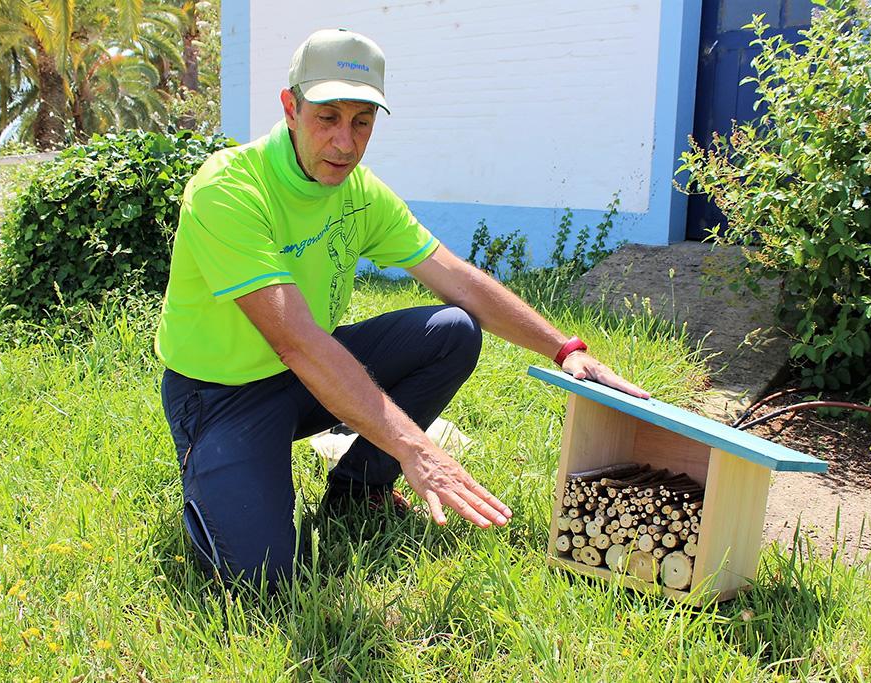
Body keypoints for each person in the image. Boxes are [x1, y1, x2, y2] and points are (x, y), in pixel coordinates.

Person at [155, 28, 649, 588]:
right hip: (222, 397)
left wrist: (565, 349)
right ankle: (220, 478)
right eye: (327, 117)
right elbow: (295, 339)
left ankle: (358, 491)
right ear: (291, 108)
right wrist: (418, 450)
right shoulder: (230, 189)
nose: (345, 143)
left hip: (305, 377)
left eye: (362, 121)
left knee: (451, 329)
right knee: (259, 580)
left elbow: (455, 279)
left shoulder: (359, 192)